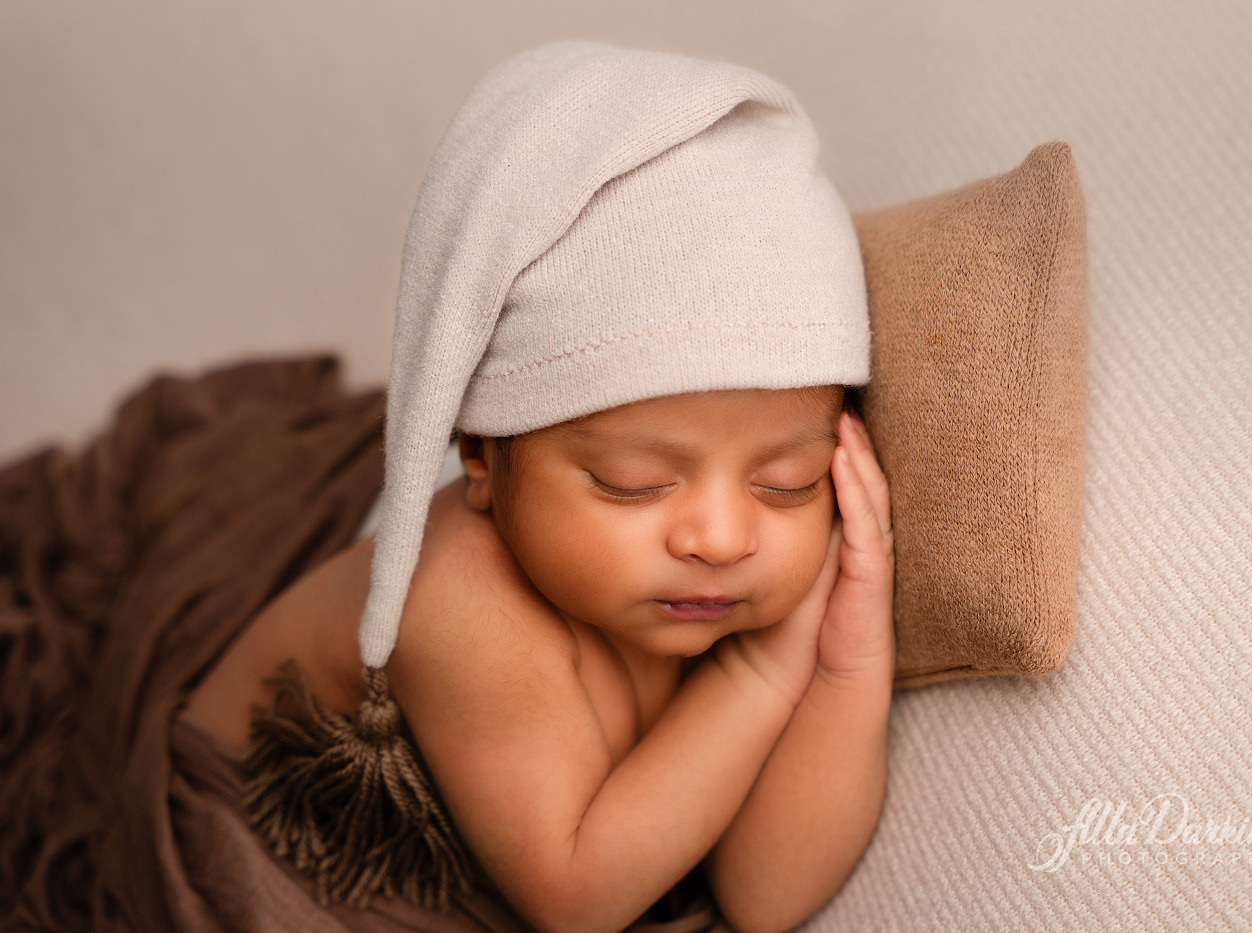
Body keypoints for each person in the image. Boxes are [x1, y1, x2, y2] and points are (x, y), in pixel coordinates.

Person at [184, 39, 894, 933]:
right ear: (481, 457)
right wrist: (759, 673)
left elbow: (766, 896)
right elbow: (578, 898)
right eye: (632, 483)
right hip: (254, 829)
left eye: (787, 482)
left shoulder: (713, 579)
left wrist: (847, 662)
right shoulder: (461, 604)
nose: (722, 535)